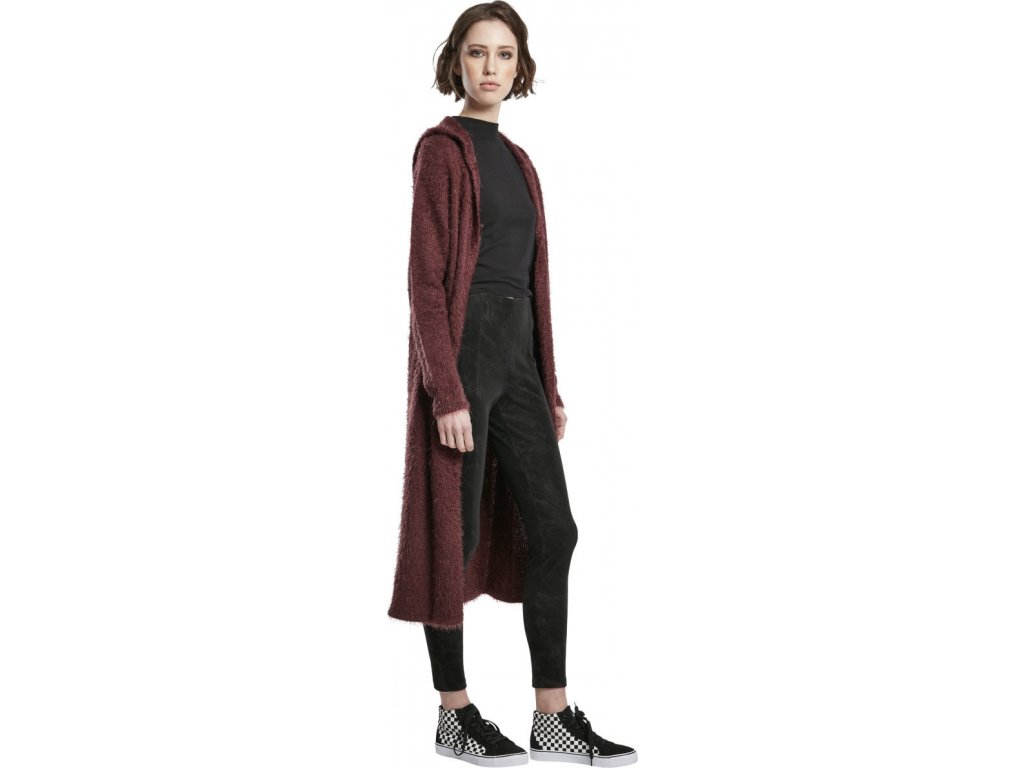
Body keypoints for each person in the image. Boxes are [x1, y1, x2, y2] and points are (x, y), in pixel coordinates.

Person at [389, 3, 638, 765]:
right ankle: (454, 713)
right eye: (477, 52)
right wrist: (447, 390)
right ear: (455, 63)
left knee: (555, 530)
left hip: (518, 358)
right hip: (463, 355)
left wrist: (547, 383)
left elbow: (533, 282)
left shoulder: (521, 160)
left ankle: (551, 716)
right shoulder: (443, 150)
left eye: (504, 54)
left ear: (520, 66)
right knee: (453, 538)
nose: (491, 67)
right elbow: (425, 281)